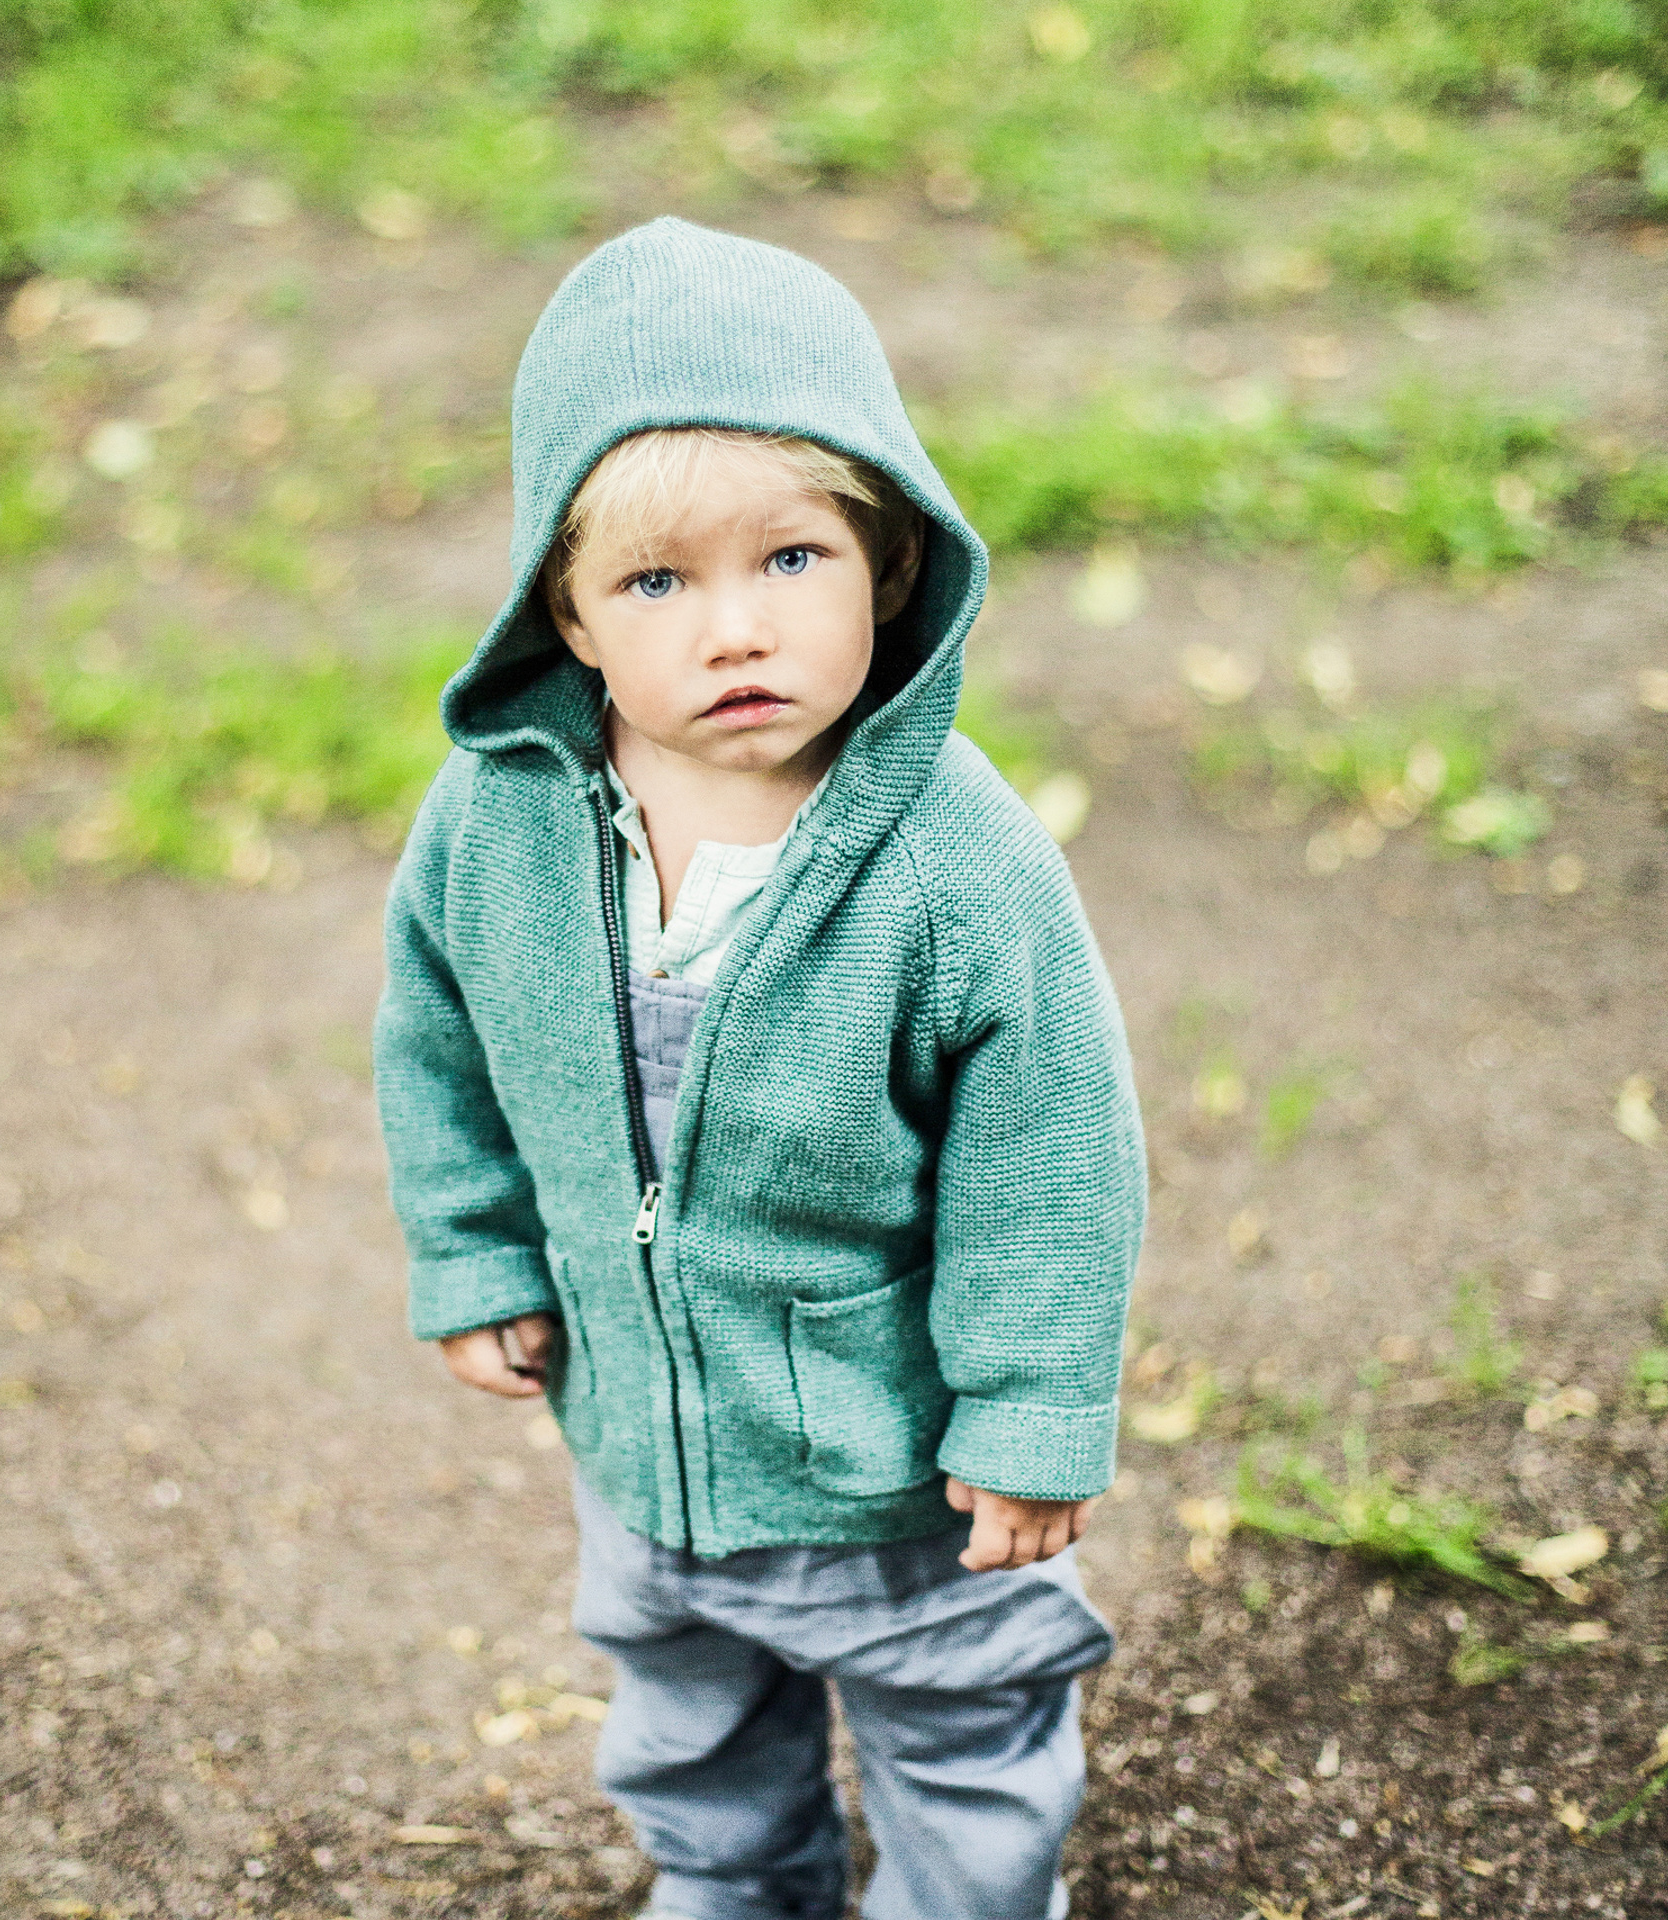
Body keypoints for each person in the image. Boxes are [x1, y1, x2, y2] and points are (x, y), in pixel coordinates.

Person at [375, 217, 1146, 1920]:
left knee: (963, 1734)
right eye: (657, 582)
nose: (735, 631)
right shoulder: (494, 826)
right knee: (690, 1735)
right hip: (646, 1446)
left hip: (898, 1469)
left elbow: (1052, 1150)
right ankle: (735, 1891)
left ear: (885, 561)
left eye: (791, 560)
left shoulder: (957, 863)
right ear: (565, 616)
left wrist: (1030, 1413)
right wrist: (474, 1252)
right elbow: (435, 1041)